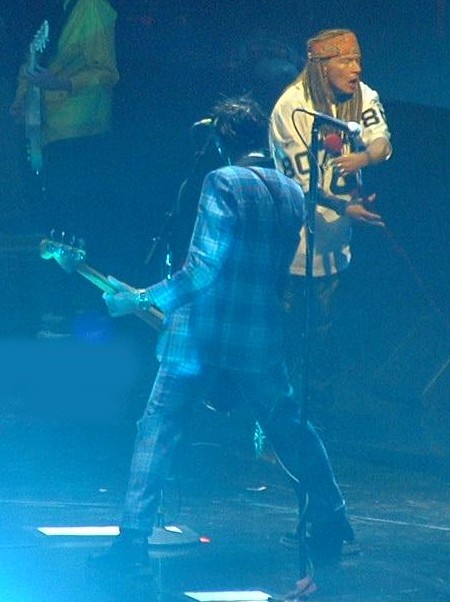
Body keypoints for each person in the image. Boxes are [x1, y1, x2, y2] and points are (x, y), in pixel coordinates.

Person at [89, 97, 353, 576]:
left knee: (158, 429)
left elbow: (203, 269)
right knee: (290, 426)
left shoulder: (222, 181)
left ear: (221, 140)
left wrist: (139, 299)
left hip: (201, 334)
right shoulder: (292, 192)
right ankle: (333, 516)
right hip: (258, 334)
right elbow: (275, 272)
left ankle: (132, 542)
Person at [269, 29, 392, 545]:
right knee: (287, 349)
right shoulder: (291, 109)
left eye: (359, 59)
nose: (356, 69)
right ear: (322, 64)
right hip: (293, 250)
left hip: (334, 252)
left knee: (321, 352)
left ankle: (316, 438)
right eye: (346, 61)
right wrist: (346, 205)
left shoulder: (361, 97)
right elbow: (301, 184)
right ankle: (281, 432)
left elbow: (382, 142)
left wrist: (364, 160)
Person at [10, 0, 119, 332]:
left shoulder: (93, 7)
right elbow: (32, 62)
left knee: (77, 224)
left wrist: (60, 84)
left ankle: (82, 306)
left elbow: (107, 73)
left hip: (81, 135)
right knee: (55, 223)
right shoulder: (53, 10)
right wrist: (21, 98)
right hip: (50, 135)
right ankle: (60, 304)